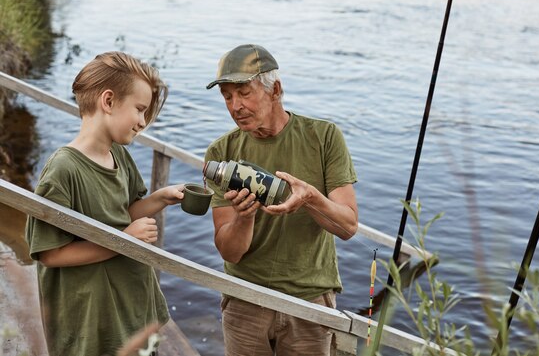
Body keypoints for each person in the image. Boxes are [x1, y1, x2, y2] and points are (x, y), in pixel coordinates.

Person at [204, 44, 358, 356]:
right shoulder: (221, 154)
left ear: (275, 90)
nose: (235, 106)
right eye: (227, 96)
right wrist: (244, 217)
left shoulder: (324, 137)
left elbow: (347, 226)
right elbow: (230, 253)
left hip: (310, 302)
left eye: (243, 92)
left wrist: (310, 198)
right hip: (245, 298)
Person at [26, 51, 184, 356]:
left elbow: (120, 216)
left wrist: (159, 199)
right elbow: (50, 253)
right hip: (92, 316)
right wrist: (123, 241)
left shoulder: (119, 155)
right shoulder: (63, 170)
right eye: (139, 110)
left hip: (130, 302)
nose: (142, 122)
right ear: (108, 101)